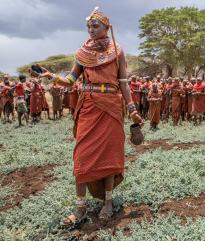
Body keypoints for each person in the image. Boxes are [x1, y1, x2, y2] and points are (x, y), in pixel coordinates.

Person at [40, 7, 143, 223]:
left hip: (111, 108)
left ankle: (107, 202)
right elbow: (71, 80)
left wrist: (132, 109)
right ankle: (80, 208)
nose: (91, 29)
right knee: (81, 156)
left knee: (109, 156)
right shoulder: (82, 53)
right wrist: (53, 77)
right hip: (88, 107)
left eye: (95, 26)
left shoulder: (117, 50)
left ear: (107, 27)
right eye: (88, 26)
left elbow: (123, 83)